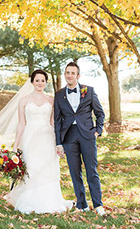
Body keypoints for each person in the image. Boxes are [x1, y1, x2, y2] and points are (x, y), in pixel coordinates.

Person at [0, 69, 71, 214]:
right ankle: (30, 200)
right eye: (37, 80)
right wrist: (16, 145)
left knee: (48, 167)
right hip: (30, 137)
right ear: (32, 82)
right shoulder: (23, 101)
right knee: (31, 167)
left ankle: (50, 200)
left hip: (47, 137)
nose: (40, 83)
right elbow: (21, 123)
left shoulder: (51, 100)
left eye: (42, 81)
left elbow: (53, 122)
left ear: (46, 82)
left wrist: (58, 142)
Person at [54, 61, 106, 216]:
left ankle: (98, 205)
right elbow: (57, 120)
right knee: (75, 172)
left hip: (87, 135)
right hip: (69, 136)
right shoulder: (59, 95)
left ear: (78, 75)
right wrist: (58, 143)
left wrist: (97, 131)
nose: (69, 75)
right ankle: (82, 204)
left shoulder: (88, 91)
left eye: (72, 73)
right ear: (65, 75)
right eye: (67, 73)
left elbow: (100, 113)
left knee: (92, 171)